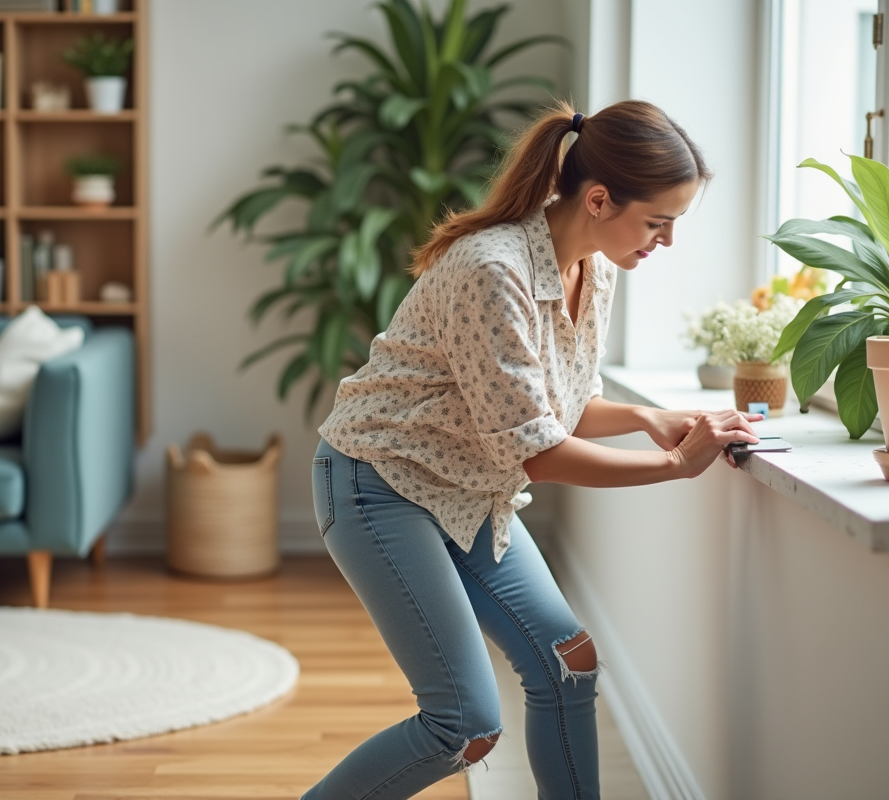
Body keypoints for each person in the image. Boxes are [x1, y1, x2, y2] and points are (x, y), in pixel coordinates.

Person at [305, 100, 761, 800]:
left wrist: (649, 418)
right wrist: (673, 466)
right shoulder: (493, 269)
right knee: (463, 726)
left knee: (567, 664)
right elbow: (540, 452)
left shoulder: (595, 267)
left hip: (468, 490)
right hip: (379, 483)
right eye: (658, 221)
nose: (666, 241)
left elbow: (560, 406)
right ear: (601, 199)